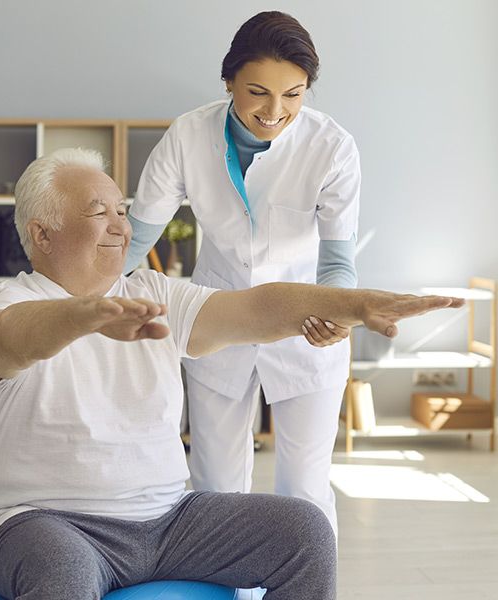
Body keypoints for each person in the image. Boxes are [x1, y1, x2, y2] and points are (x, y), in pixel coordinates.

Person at [0, 148, 462, 600]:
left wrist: (356, 303)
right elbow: (14, 339)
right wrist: (86, 315)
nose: (121, 226)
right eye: (99, 213)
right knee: (63, 572)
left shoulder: (154, 291)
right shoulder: (13, 303)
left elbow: (257, 306)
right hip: (48, 522)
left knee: (304, 532)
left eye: (122, 211)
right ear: (42, 234)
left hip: (169, 520)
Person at [125, 10, 361, 535]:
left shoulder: (332, 148)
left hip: (307, 332)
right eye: (257, 92)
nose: (275, 111)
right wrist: (78, 302)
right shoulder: (188, 135)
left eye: (294, 95)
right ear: (228, 81)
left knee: (305, 490)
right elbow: (138, 236)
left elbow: (338, 262)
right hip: (220, 321)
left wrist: (339, 316)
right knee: (215, 486)